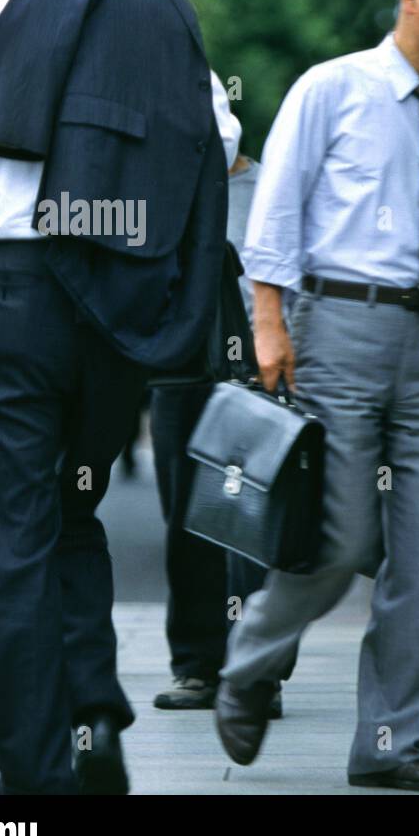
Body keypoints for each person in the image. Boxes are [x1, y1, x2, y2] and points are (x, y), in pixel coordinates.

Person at [0, 0, 237, 794]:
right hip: (113, 311)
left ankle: (39, 779)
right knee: (71, 516)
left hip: (5, 304)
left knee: (15, 545)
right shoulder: (160, 19)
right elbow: (221, 138)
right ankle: (92, 718)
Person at [213, 0, 419, 794]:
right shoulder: (331, 87)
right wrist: (269, 325)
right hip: (338, 329)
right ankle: (248, 665)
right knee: (340, 535)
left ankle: (391, 744)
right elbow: (275, 212)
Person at [151, 123, 279, 716]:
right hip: (183, 372)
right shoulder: (162, 191)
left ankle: (258, 672)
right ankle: (197, 665)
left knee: (254, 521)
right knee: (187, 517)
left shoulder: (271, 187)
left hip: (262, 373)